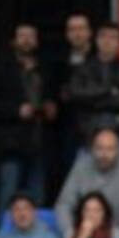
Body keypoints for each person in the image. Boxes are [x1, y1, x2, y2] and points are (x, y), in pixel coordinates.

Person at [0, 23, 54, 205]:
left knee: (37, 195)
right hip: (12, 144)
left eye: (30, 36)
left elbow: (56, 97)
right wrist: (17, 111)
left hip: (39, 141)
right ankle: (5, 233)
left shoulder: (46, 69)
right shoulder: (3, 69)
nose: (26, 40)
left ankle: (36, 234)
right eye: (22, 36)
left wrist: (52, 107)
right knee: (8, 194)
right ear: (13, 41)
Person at [66, 20, 119, 147]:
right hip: (86, 136)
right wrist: (108, 90)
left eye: (113, 37)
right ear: (96, 40)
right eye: (103, 36)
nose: (107, 41)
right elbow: (76, 94)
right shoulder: (82, 68)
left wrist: (92, 99)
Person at [51, 13, 93, 168]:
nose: (77, 33)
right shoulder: (59, 62)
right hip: (68, 128)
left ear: (89, 32)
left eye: (81, 28)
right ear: (67, 34)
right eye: (72, 29)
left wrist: (74, 93)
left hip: (93, 127)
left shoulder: (99, 58)